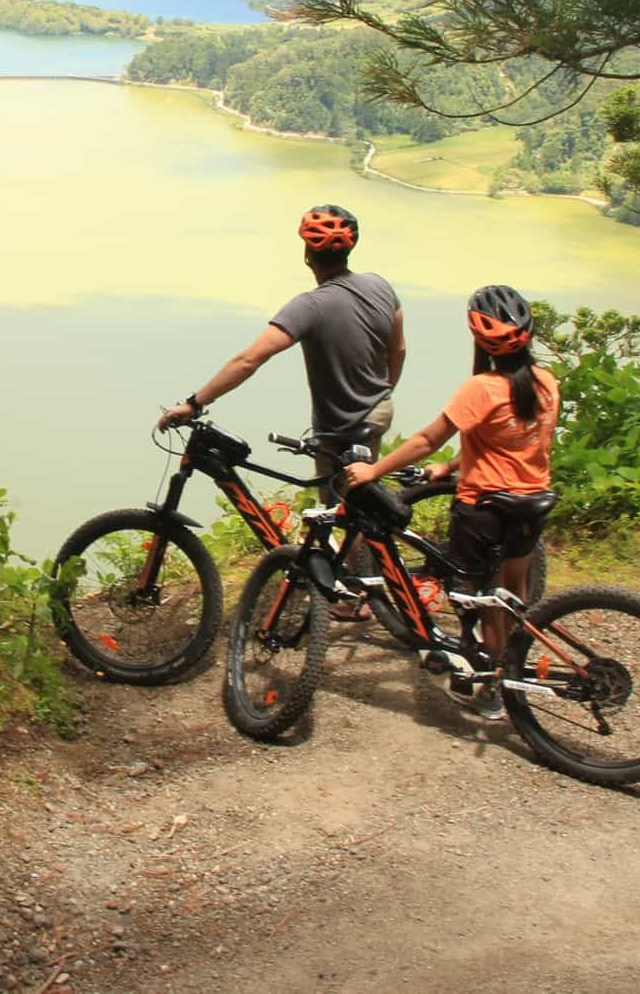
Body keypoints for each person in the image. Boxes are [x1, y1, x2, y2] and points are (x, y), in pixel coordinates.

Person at [156, 204, 405, 616]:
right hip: (379, 410)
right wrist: (382, 393)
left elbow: (249, 359)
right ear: (350, 249)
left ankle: (351, 596)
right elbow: (398, 349)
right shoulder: (381, 286)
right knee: (349, 505)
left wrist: (195, 402)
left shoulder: (309, 306)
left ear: (307, 254)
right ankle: (356, 577)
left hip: (342, 426)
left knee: (340, 511)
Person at [341, 284, 559, 719]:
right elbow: (516, 441)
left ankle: (492, 687)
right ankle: (511, 666)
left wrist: (373, 471)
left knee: (477, 596)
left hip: (485, 508)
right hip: (531, 502)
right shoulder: (546, 383)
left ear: (478, 339)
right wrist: (453, 465)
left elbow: (427, 439)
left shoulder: (482, 388)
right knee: (513, 593)